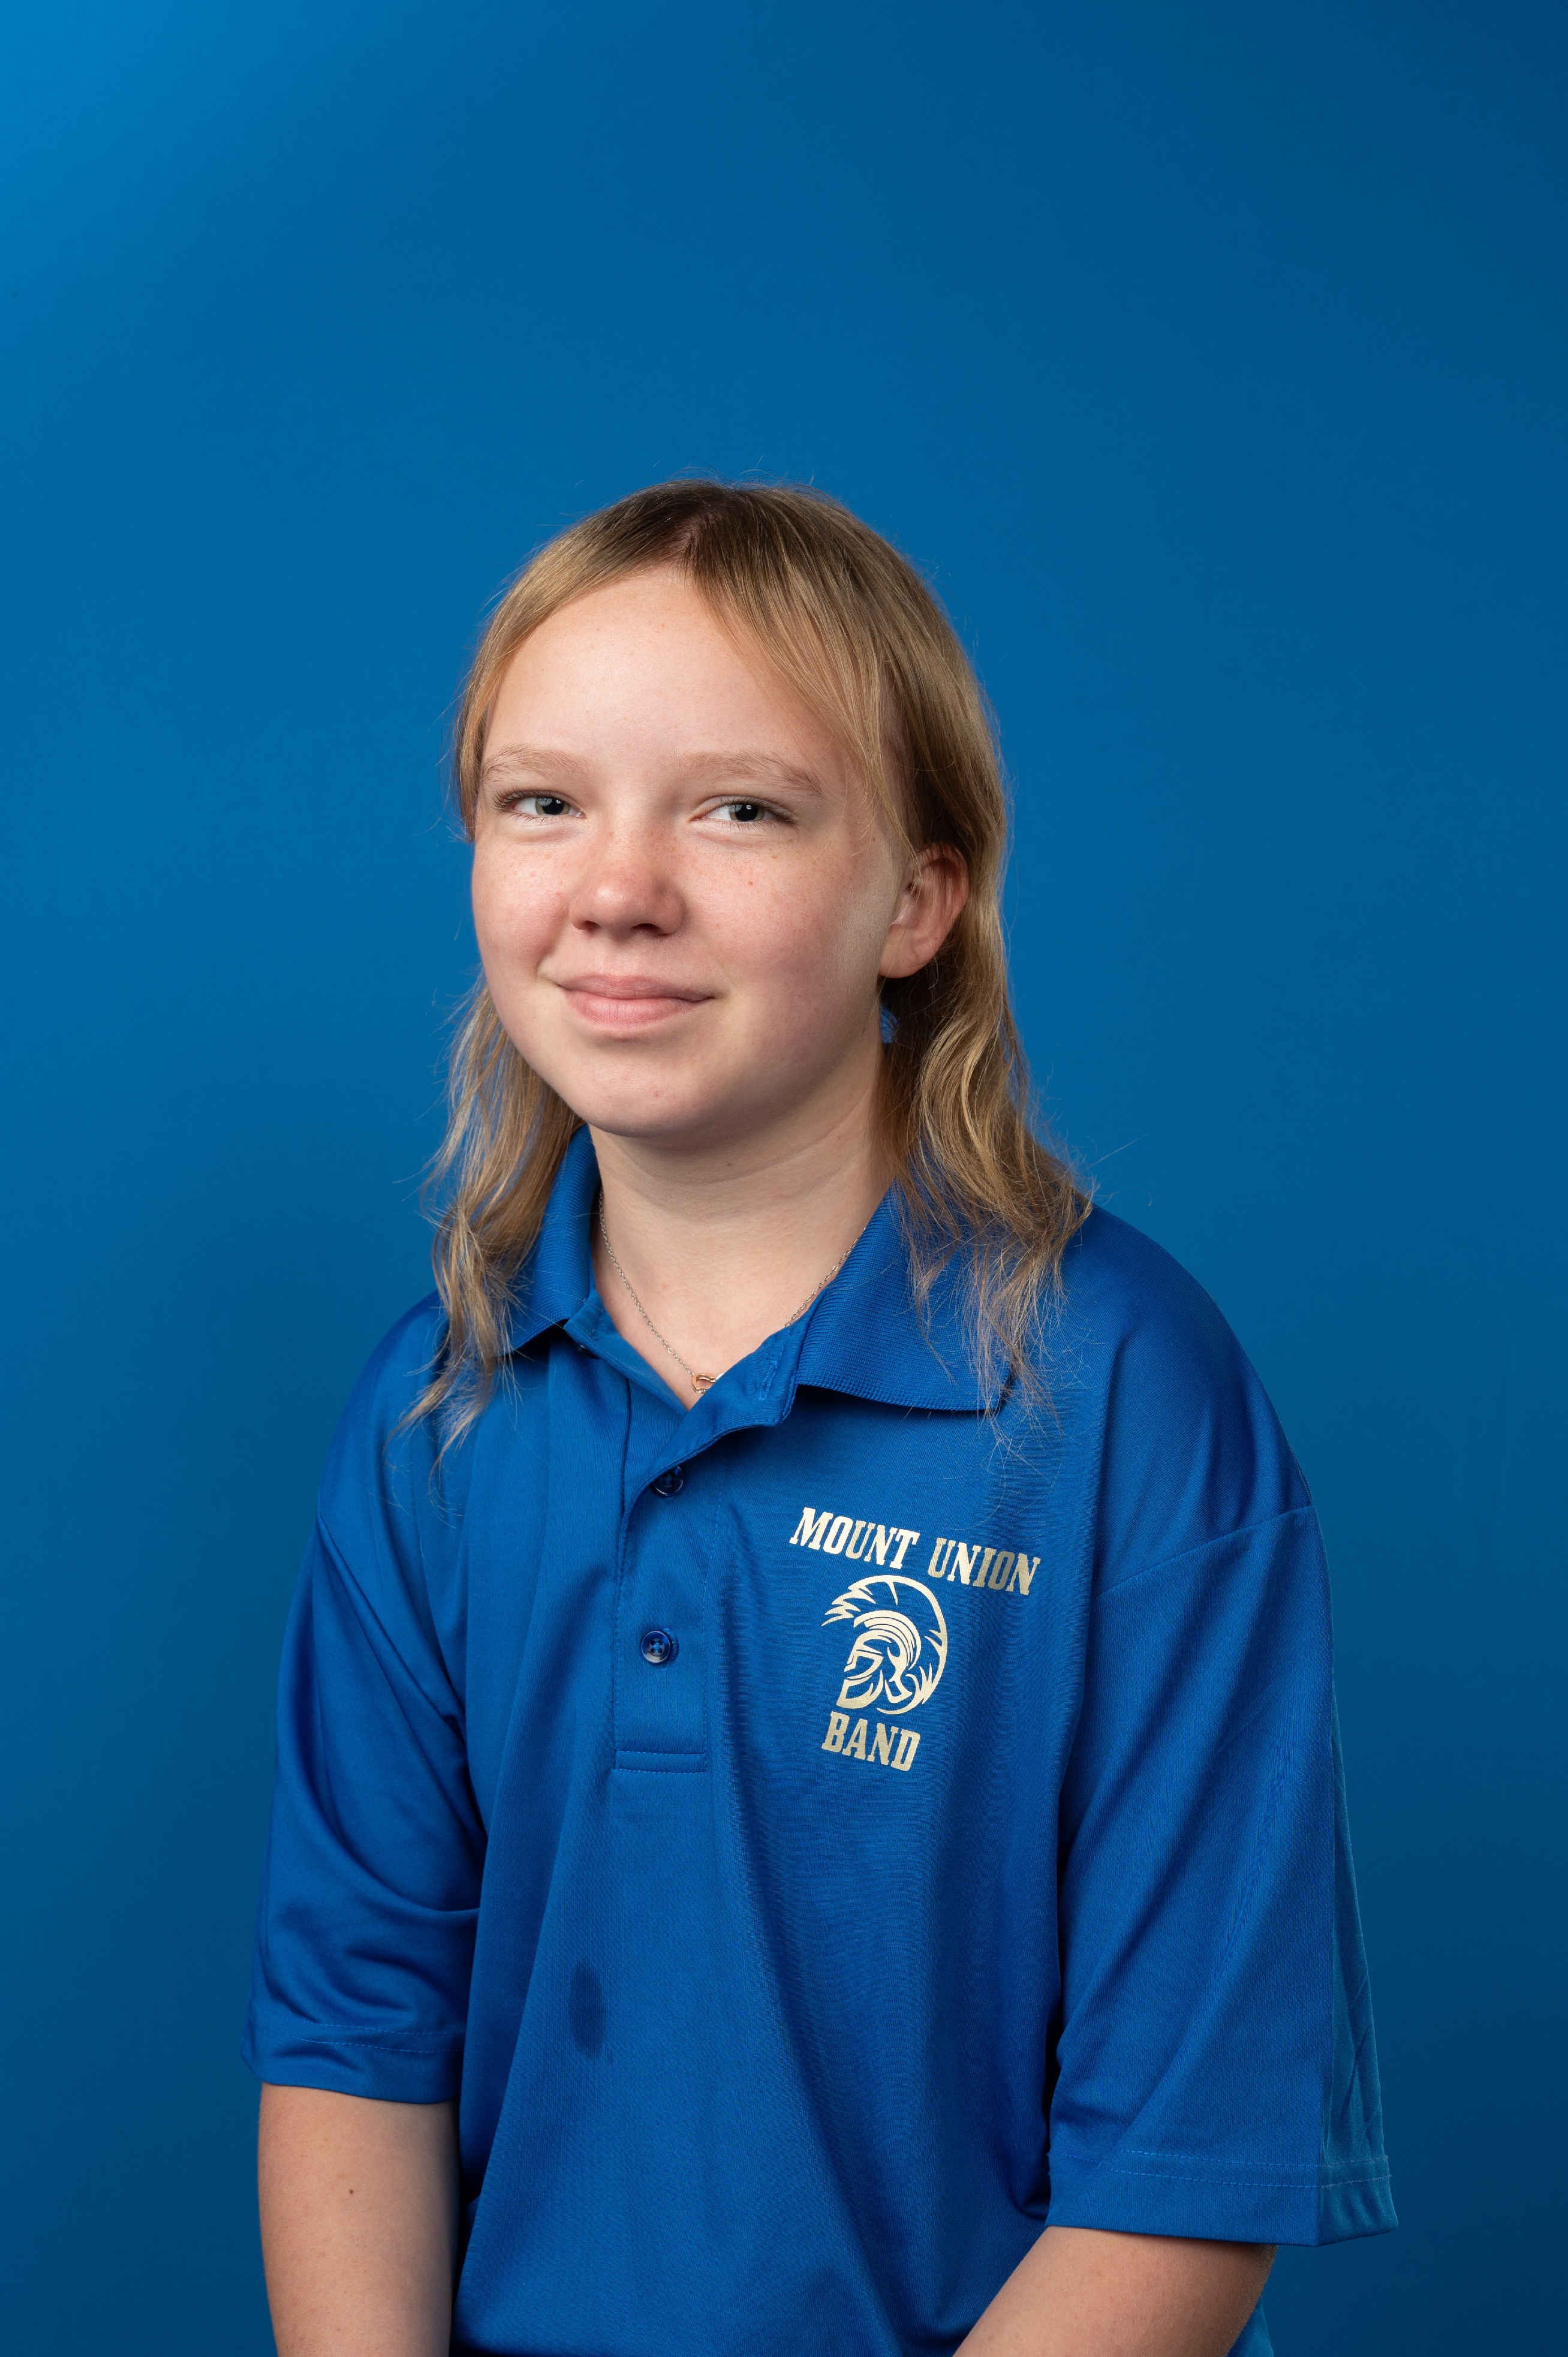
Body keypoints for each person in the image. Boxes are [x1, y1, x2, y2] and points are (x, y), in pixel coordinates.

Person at [245, 480, 1394, 2357]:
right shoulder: (435, 1412)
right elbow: (354, 2040)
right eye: (544, 802)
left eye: (740, 810)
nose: (619, 887)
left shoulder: (1121, 1399)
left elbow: (1186, 2169)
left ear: (919, 898)